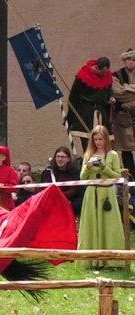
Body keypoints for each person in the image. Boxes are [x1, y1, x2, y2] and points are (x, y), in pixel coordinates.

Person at [76, 126, 124, 268]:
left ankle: (111, 260)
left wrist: (104, 167)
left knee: (109, 226)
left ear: (106, 140)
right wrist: (88, 167)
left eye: (100, 139)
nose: (98, 142)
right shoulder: (88, 155)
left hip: (107, 193)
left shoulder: (113, 155)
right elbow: (82, 177)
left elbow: (117, 175)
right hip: (92, 194)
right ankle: (90, 259)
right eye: (95, 139)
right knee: (91, 225)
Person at [67, 57, 114, 151]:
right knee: (87, 142)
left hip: (101, 112)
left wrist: (111, 99)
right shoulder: (83, 75)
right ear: (96, 67)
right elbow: (74, 97)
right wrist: (70, 118)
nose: (104, 74)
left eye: (106, 72)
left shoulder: (108, 76)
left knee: (103, 141)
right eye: (102, 72)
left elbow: (108, 93)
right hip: (86, 112)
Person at [40, 146, 84, 216]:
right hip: (51, 199)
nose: (60, 159)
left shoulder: (74, 172)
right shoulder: (48, 172)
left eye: (63, 157)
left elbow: (74, 190)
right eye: (58, 156)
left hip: (69, 200)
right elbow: (43, 188)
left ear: (68, 159)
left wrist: (60, 196)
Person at [112, 48, 135, 177]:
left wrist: (126, 87)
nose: (131, 62)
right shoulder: (117, 75)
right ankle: (131, 176)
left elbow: (122, 92)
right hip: (124, 117)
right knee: (126, 150)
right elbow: (117, 94)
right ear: (124, 60)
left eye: (133, 60)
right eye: (128, 59)